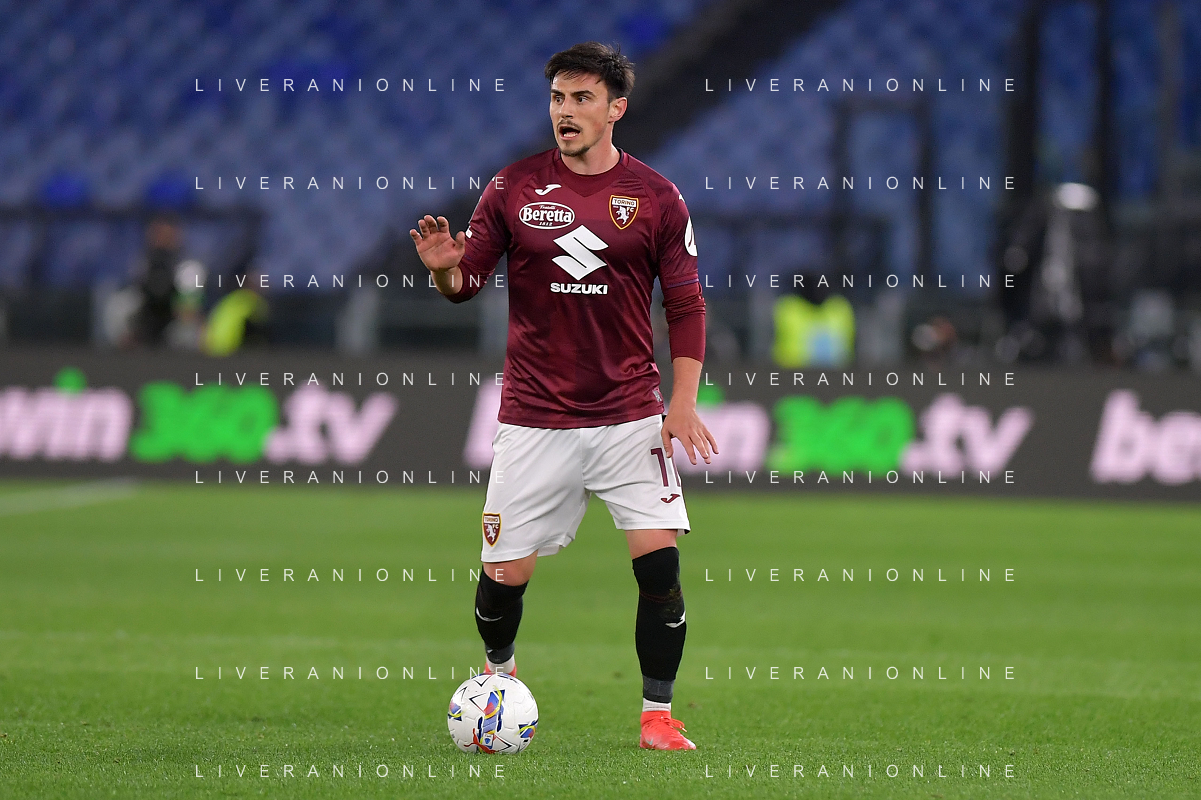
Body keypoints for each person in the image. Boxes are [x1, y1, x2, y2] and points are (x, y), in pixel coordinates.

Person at [410, 42, 717, 751]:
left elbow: (686, 303)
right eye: (557, 98)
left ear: (616, 109)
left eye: (582, 99)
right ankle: (500, 676)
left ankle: (657, 716)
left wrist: (682, 402)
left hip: (629, 414)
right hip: (534, 417)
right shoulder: (512, 187)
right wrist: (444, 272)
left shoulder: (657, 197)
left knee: (659, 565)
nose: (566, 112)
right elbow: (465, 284)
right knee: (502, 579)